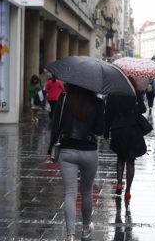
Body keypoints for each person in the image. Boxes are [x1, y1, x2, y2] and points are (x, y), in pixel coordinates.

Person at [48, 84, 104, 241]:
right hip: (89, 151)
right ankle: (86, 228)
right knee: (86, 192)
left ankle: (70, 235)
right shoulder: (98, 102)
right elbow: (100, 130)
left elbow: (55, 125)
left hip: (67, 151)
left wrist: (51, 146)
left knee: (70, 193)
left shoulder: (64, 98)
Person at [104, 79, 147, 202]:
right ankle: (128, 191)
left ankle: (118, 183)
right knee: (130, 160)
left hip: (118, 129)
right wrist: (135, 106)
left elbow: (108, 114)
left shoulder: (113, 94)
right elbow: (143, 109)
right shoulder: (135, 93)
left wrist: (106, 130)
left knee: (120, 158)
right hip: (132, 130)